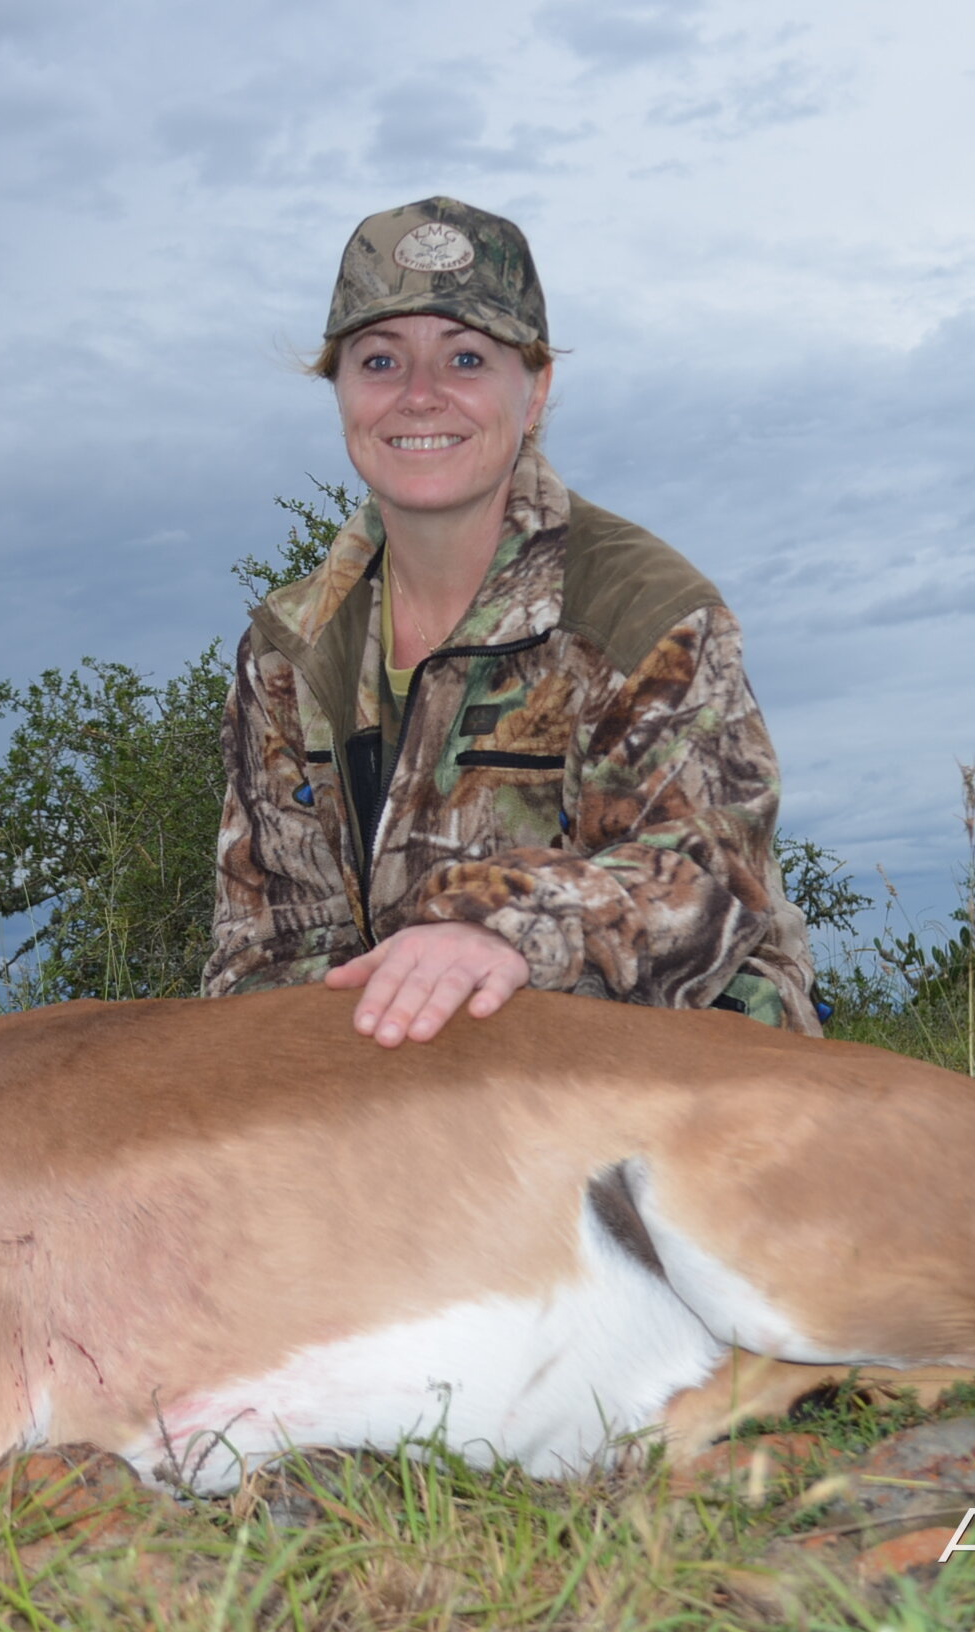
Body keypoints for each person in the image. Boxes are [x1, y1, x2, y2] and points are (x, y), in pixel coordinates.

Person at [203, 196, 821, 1046]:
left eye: (465, 358)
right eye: (380, 362)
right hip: (411, 1076)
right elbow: (263, 952)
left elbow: (704, 887)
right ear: (340, 392)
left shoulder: (645, 611)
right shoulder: (289, 650)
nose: (420, 397)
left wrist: (493, 927)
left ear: (534, 392)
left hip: (673, 1063)